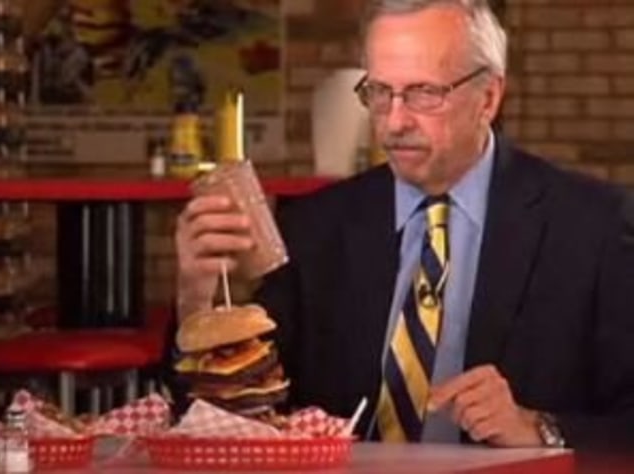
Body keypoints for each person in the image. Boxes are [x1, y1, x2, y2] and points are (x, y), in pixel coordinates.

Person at [174, 0, 634, 451]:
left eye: (423, 93)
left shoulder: (592, 226)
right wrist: (195, 299)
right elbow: (231, 418)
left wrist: (538, 428)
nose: (394, 122)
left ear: (488, 98)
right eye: (379, 92)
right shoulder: (316, 225)